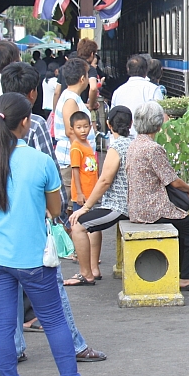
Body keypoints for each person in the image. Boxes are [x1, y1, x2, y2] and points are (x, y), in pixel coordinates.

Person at [0, 92, 98, 376]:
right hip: (34, 258)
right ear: (26, 123)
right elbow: (55, 209)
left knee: (3, 325)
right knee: (54, 321)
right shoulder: (41, 162)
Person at [127, 102, 189, 291]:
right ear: (158, 125)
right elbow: (173, 181)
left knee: (183, 228)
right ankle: (187, 277)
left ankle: (183, 271)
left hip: (137, 207)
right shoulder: (153, 148)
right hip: (153, 209)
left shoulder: (134, 145)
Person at [67, 106, 133, 285]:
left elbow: (104, 181)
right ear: (131, 124)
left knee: (78, 225)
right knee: (92, 225)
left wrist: (86, 207)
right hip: (132, 204)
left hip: (119, 206)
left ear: (108, 125)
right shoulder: (134, 142)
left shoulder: (117, 146)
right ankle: (93, 269)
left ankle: (85, 274)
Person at [54, 59, 94, 203]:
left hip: (74, 161)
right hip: (71, 162)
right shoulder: (70, 100)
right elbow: (71, 133)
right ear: (83, 78)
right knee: (71, 204)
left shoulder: (71, 97)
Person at [69, 111, 98, 213]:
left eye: (85, 127)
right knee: (80, 224)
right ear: (72, 129)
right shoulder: (76, 147)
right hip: (82, 196)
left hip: (90, 193)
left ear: (90, 127)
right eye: (79, 127)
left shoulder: (87, 143)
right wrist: (79, 193)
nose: (83, 130)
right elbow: (75, 171)